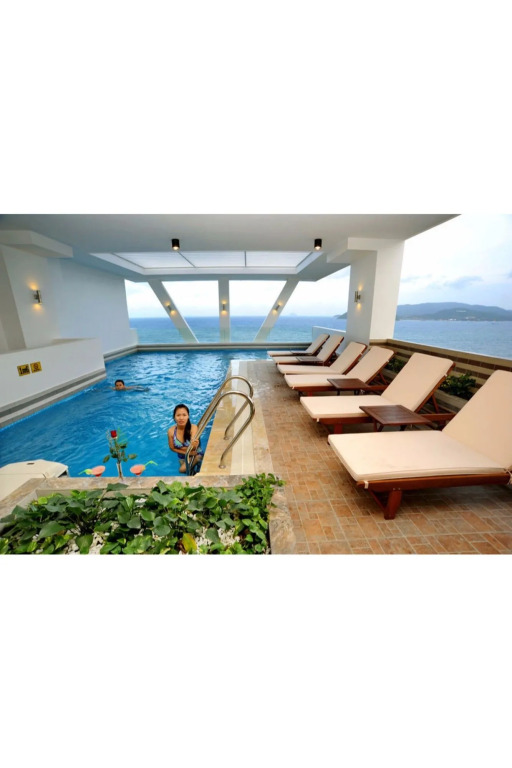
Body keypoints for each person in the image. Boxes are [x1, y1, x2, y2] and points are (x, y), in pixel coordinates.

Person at [167, 403, 203, 474]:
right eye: (178, 415)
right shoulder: (171, 431)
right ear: (174, 417)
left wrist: (191, 446)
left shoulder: (193, 428)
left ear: (188, 416)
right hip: (182, 456)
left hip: (196, 454)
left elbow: (194, 447)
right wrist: (187, 451)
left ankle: (198, 463)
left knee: (181, 470)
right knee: (188, 473)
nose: (181, 418)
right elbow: (172, 448)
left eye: (184, 415)